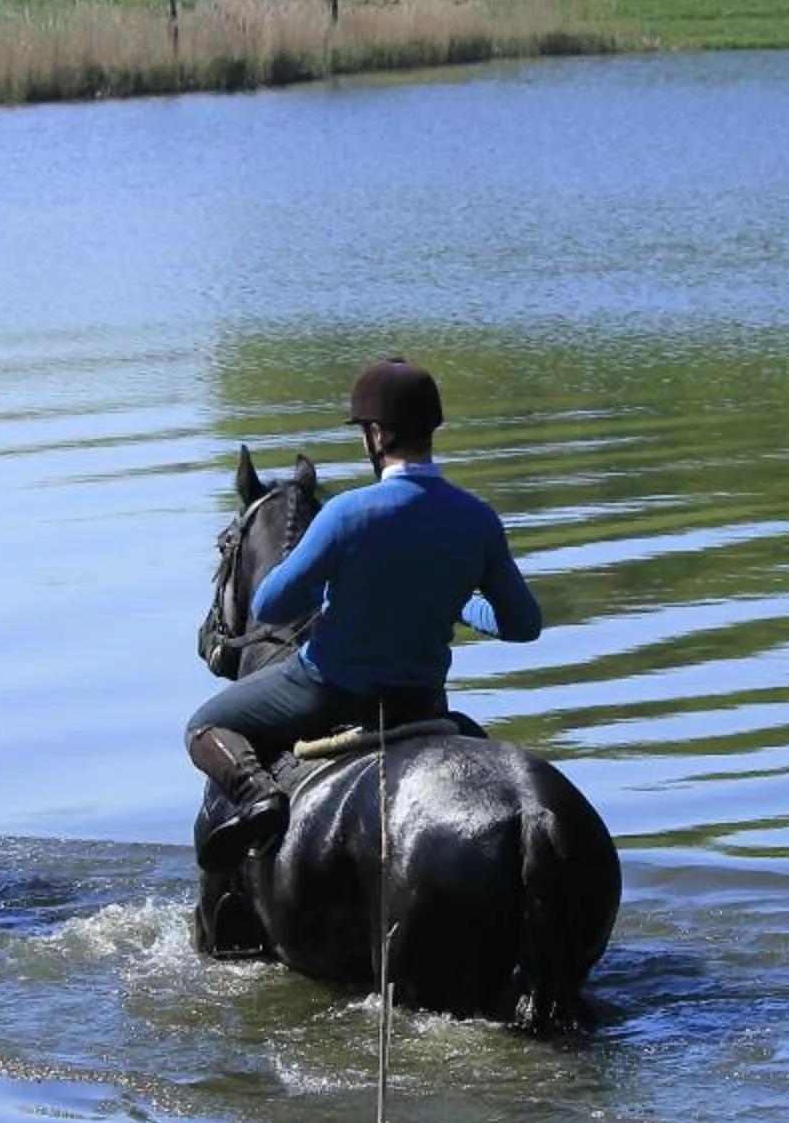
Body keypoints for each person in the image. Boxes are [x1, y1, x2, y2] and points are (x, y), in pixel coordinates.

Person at [185, 357, 542, 861]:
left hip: (327, 692)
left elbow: (270, 602)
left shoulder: (347, 513)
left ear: (376, 436)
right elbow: (524, 625)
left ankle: (258, 798)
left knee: (203, 725)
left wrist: (337, 591)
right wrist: (458, 604)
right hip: (421, 699)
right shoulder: (477, 518)